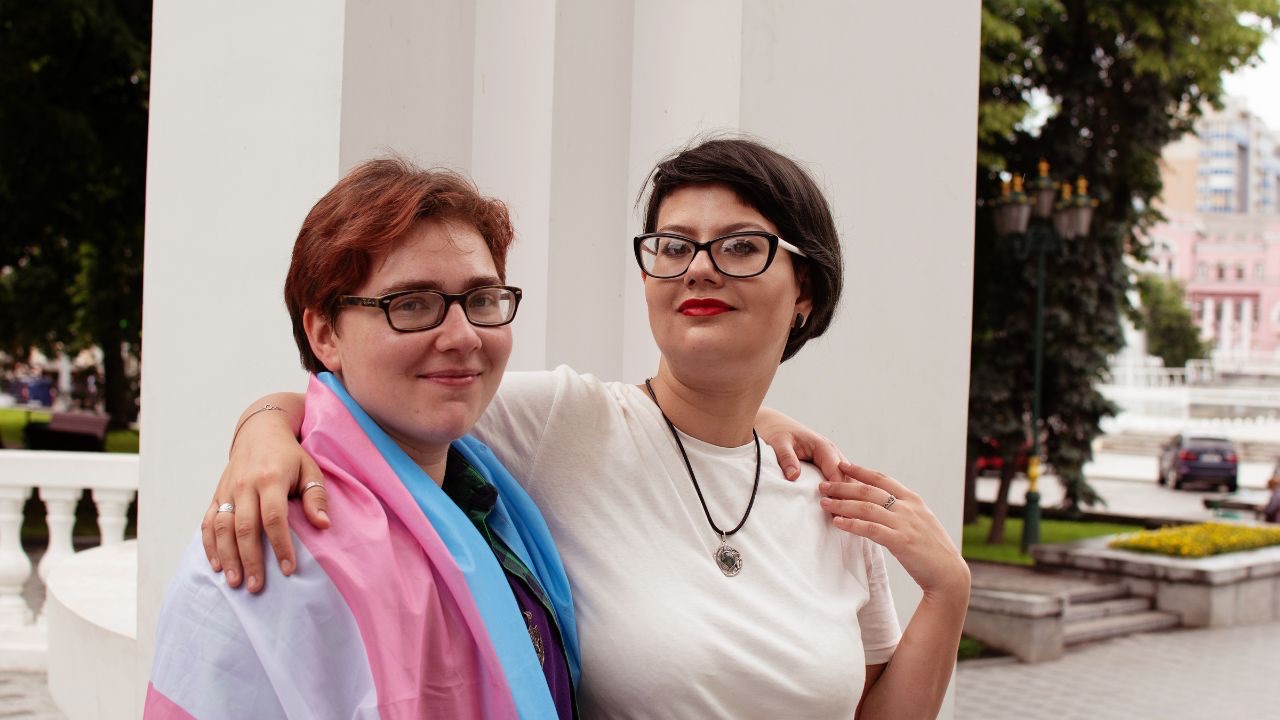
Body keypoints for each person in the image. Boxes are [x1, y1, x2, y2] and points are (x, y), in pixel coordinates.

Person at [209, 137, 971, 718]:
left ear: (805, 290)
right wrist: (262, 431)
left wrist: (947, 590)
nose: (698, 268)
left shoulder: (830, 499)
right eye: (672, 247)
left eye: (741, 247)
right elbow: (367, 393)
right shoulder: (564, 424)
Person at [146, 160, 580, 719]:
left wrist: (265, 417)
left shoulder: (491, 492)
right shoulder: (270, 548)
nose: (463, 336)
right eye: (412, 305)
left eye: (481, 299)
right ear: (325, 334)